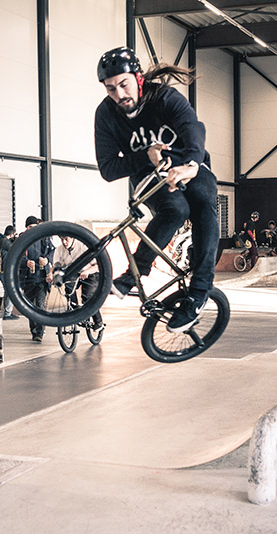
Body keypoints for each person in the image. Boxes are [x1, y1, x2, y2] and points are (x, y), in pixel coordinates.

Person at [94, 47, 219, 333]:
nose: (119, 94)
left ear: (138, 78)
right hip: (147, 174)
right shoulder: (106, 113)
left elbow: (194, 128)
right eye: (111, 89)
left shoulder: (164, 97)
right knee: (175, 208)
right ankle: (135, 272)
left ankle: (199, 291)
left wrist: (191, 164)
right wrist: (146, 156)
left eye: (124, 84)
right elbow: (108, 168)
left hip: (187, 163)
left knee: (202, 199)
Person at [48, 234, 104, 331]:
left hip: (90, 273)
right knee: (69, 291)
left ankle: (98, 322)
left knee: (88, 297)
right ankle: (76, 312)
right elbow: (56, 265)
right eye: (62, 240)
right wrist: (51, 275)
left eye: (66, 239)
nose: (64, 242)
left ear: (73, 238)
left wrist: (87, 271)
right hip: (74, 273)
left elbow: (97, 265)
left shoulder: (83, 246)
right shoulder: (59, 250)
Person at [20, 215, 53, 342]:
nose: (32, 229)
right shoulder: (22, 239)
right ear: (26, 228)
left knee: (40, 305)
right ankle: (33, 331)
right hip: (27, 278)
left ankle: (39, 332)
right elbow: (16, 257)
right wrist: (26, 262)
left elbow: (52, 251)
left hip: (42, 278)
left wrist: (47, 260)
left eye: (34, 227)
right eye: (30, 227)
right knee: (30, 306)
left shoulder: (44, 237)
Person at [0, 225, 19, 319]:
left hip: (2, 270)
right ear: (12, 234)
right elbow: (14, 249)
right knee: (9, 291)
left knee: (8, 291)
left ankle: (8, 312)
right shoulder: (5, 241)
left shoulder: (0, 240)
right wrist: (16, 240)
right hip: (4, 270)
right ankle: (7, 313)